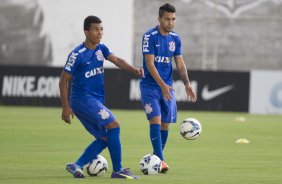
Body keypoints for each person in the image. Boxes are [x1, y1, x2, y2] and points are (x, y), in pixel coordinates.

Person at [59, 15, 143, 179]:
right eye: (96, 29)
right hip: (82, 99)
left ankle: (76, 165)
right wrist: (65, 107)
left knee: (106, 138)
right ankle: (118, 170)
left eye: (101, 29)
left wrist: (133, 70)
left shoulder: (101, 48)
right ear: (86, 31)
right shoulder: (77, 54)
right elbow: (63, 81)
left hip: (94, 100)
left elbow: (117, 60)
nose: (100, 33)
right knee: (114, 125)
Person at [140, 3, 197, 173]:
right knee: (156, 119)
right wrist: (162, 84)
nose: (170, 22)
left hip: (167, 87)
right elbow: (150, 64)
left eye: (173, 19)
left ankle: (156, 158)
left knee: (165, 123)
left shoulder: (175, 38)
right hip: (150, 86)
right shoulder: (149, 36)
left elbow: (180, 63)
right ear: (159, 19)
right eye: (167, 19)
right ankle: (161, 160)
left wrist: (186, 83)